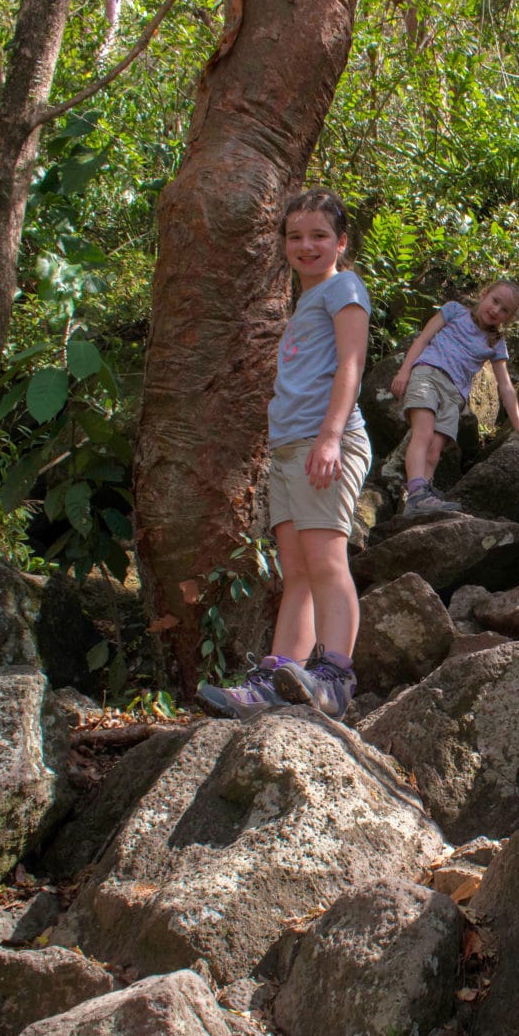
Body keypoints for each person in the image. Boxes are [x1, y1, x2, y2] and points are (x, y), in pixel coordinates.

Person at [197, 189, 372, 722]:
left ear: (341, 242)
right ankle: (278, 678)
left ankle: (335, 677)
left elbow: (351, 365)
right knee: (294, 570)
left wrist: (329, 436)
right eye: (295, 236)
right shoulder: (305, 303)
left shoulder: (344, 287)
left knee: (324, 561)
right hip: (291, 446)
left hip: (326, 441)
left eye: (319, 235)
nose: (306, 245)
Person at [390, 280, 519, 517]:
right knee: (422, 433)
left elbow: (505, 386)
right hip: (428, 374)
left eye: (504, 310)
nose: (496, 310)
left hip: (454, 395)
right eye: (494, 301)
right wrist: (404, 372)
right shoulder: (453, 311)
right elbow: (422, 340)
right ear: (484, 294)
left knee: (434, 451)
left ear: (509, 317)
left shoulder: (496, 343)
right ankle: (416, 494)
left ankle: (422, 502)